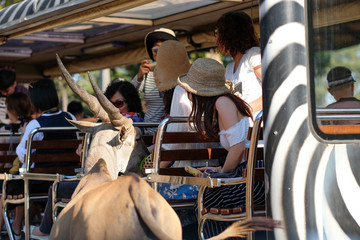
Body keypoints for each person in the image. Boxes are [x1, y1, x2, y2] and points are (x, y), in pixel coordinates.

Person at [30, 78, 145, 239]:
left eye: (118, 104)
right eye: (109, 105)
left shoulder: (124, 126)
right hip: (134, 180)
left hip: (111, 182)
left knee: (56, 188)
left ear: (130, 102)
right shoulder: (141, 122)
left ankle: (44, 231)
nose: (113, 109)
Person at [177, 58, 265, 238]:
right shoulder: (226, 101)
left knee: (207, 198)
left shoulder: (222, 103)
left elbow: (238, 148)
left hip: (251, 183)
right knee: (208, 193)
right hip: (254, 177)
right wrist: (217, 170)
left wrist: (221, 174)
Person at [4, 79, 77, 239]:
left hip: (39, 183)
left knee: (10, 184)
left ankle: (15, 229)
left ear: (35, 100)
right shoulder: (70, 117)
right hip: (66, 180)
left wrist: (25, 134)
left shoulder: (35, 125)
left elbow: (24, 156)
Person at [131, 28, 178, 134]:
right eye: (156, 49)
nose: (160, 53)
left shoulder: (179, 71)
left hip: (171, 132)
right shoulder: (148, 74)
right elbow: (129, 95)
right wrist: (139, 76)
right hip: (149, 132)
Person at [215, 11, 262, 114]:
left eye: (218, 32)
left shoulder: (253, 55)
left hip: (256, 127)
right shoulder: (229, 68)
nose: (216, 37)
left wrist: (244, 109)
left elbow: (272, 89)